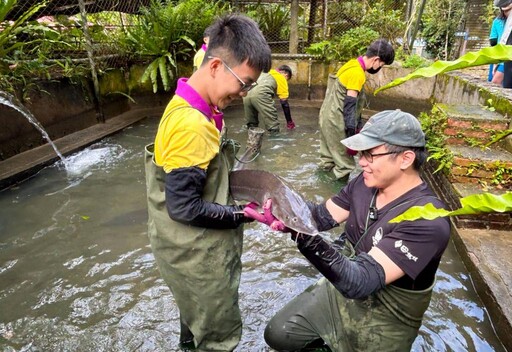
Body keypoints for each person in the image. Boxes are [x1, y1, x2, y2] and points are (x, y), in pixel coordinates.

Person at [248, 110, 451, 351]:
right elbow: (319, 217)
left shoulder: (428, 220)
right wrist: (281, 208)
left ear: (405, 159)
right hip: (343, 287)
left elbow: (360, 282)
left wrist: (300, 231)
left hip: (388, 315)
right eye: (360, 153)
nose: (361, 161)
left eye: (370, 154)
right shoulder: (364, 184)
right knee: (279, 334)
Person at [144, 14, 271, 351]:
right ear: (215, 66)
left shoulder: (191, 97)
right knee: (218, 333)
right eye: (243, 83)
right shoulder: (192, 125)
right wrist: (245, 215)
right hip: (196, 251)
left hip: (177, 249)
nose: (244, 94)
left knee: (194, 316)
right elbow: (184, 207)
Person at [318, 39, 395, 180]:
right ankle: (338, 195)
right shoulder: (357, 73)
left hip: (326, 117)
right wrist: (352, 134)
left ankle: (320, 187)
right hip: (337, 121)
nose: (379, 68)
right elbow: (349, 105)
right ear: (376, 60)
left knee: (327, 159)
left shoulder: (351, 64)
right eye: (382, 65)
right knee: (345, 165)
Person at [243, 64, 296, 134]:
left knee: (252, 126)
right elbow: (284, 102)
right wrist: (289, 122)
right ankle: (275, 141)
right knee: (273, 128)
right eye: (287, 79)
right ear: (286, 74)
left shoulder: (265, 73)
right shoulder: (281, 77)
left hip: (246, 93)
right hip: (261, 94)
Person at [488, 2, 511, 84]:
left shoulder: (497, 21)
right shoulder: (497, 21)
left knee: (494, 83)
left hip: (500, 56)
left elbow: (493, 41)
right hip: (503, 58)